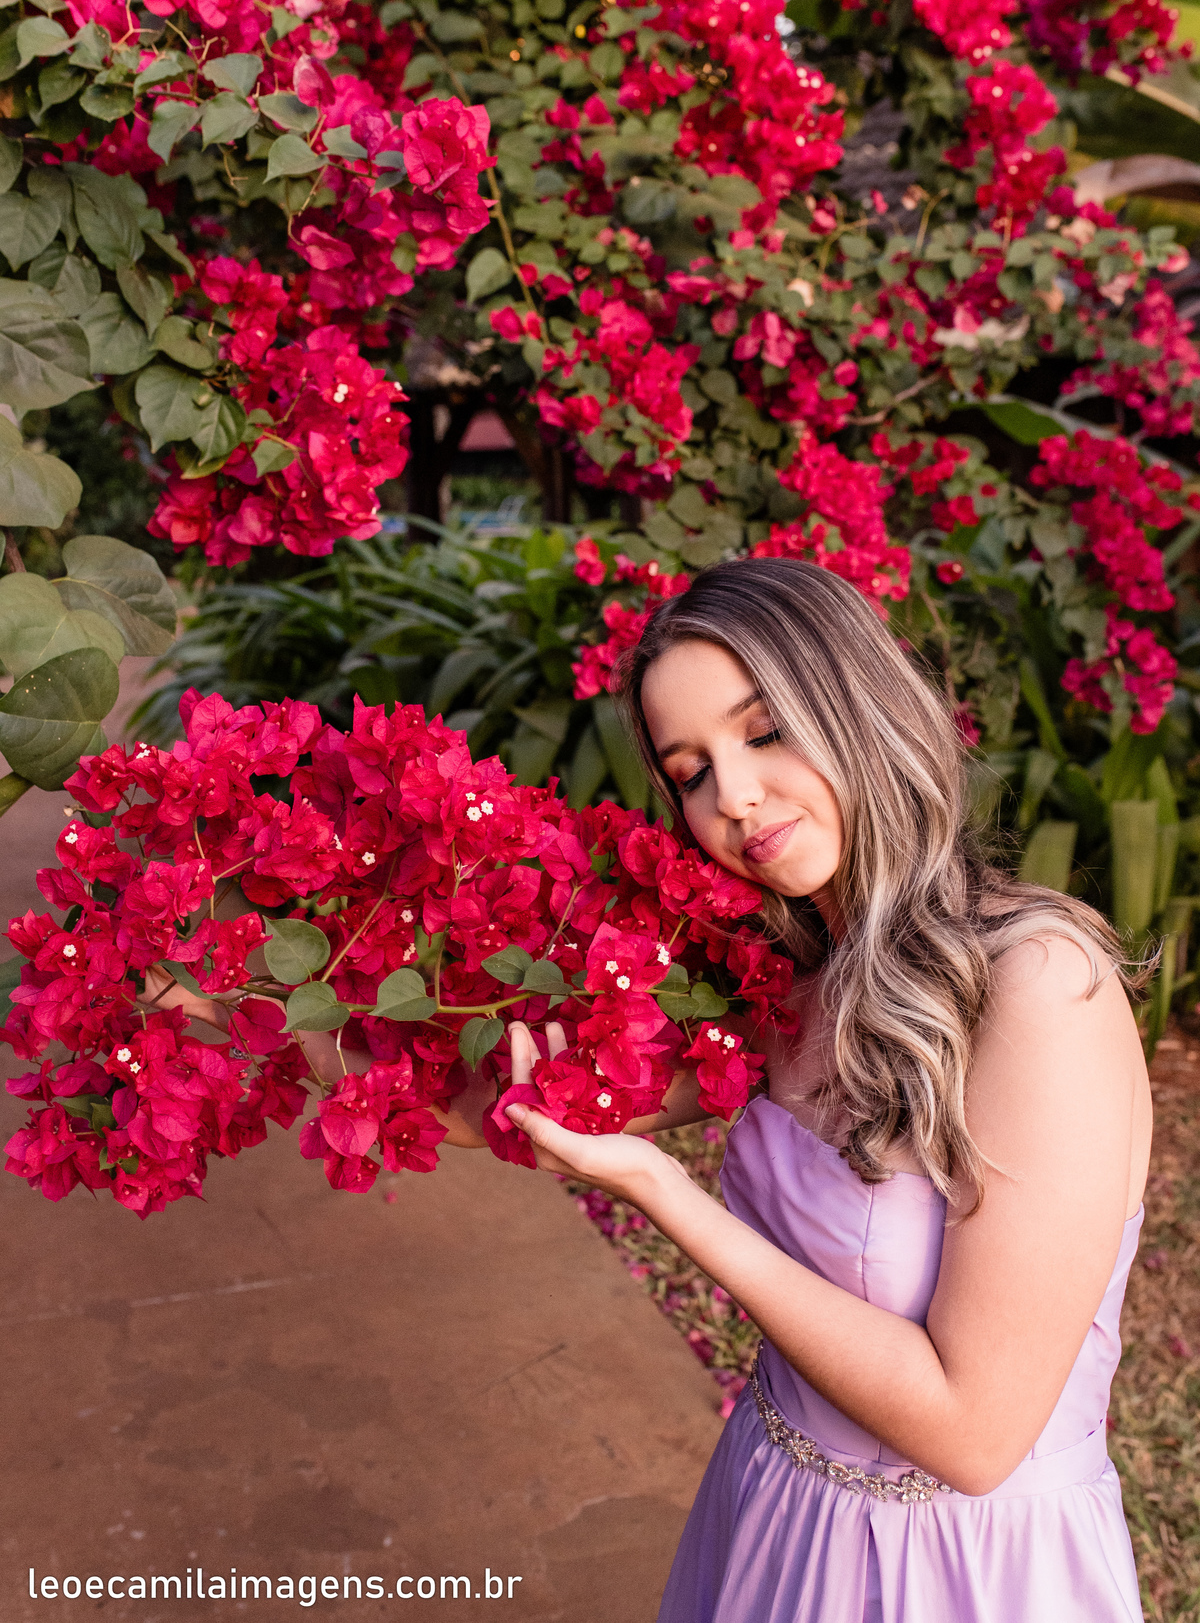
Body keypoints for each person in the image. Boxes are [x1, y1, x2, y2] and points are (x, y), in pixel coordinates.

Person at [152, 556, 1151, 1622]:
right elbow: (498, 1115)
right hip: (775, 1516)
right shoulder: (781, 982)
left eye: (765, 731)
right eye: (690, 770)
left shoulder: (1041, 989)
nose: (734, 797)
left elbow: (975, 1435)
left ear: (858, 702)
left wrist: (664, 1193)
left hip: (966, 1573)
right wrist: (227, 1000)